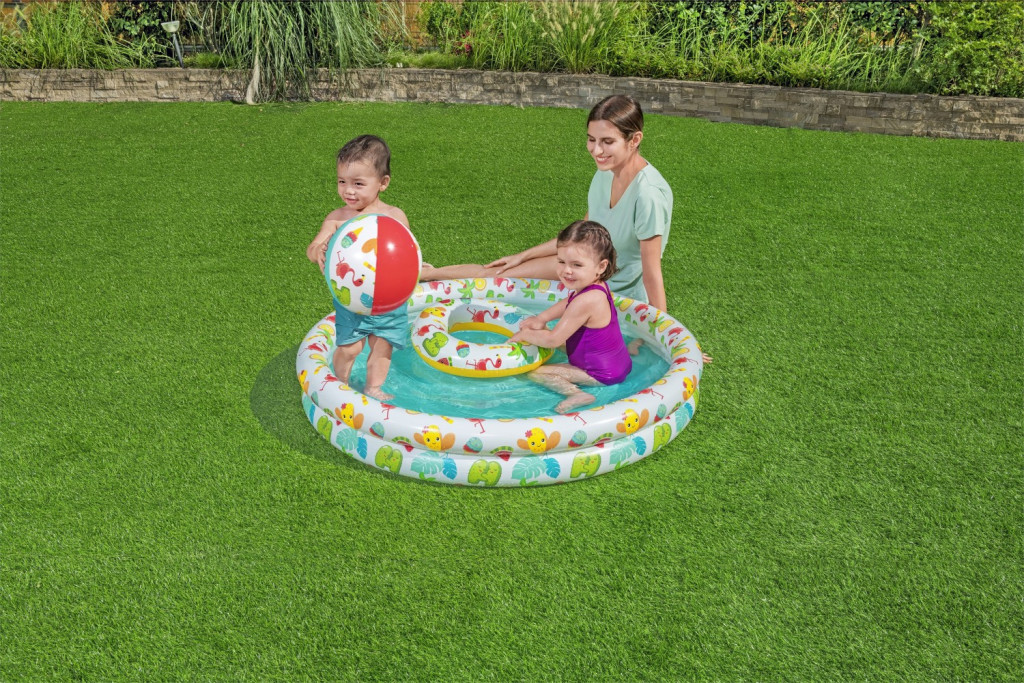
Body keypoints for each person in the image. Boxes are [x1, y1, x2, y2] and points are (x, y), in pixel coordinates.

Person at [305, 135, 411, 401]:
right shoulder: (337, 219)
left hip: (389, 300)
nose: (348, 191)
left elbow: (406, 252)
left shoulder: (394, 217)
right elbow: (312, 248)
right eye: (342, 181)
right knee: (350, 348)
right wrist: (319, 250)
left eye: (358, 184)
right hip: (351, 299)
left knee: (382, 345)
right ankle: (340, 383)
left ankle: (373, 387)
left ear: (383, 183)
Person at [508, 221, 632, 414]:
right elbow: (569, 302)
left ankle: (576, 394)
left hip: (600, 374)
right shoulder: (596, 286)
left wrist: (525, 335)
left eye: (577, 265)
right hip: (615, 363)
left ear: (601, 266)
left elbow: (553, 340)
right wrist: (542, 318)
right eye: (561, 262)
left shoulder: (588, 300)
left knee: (535, 373)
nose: (566, 270)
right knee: (543, 331)